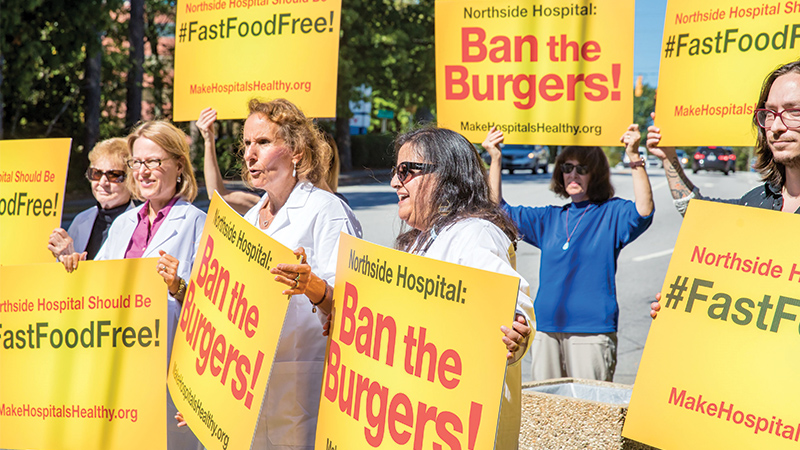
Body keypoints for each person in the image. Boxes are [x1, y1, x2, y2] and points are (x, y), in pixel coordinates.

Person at [189, 99, 362, 450]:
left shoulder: (326, 211)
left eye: (263, 142)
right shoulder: (251, 220)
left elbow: (355, 308)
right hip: (248, 390)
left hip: (305, 382)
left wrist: (312, 287)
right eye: (247, 143)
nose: (249, 154)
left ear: (296, 151)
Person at [60, 120, 206, 450]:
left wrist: (177, 286)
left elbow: (213, 313)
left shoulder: (198, 224)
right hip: (119, 371)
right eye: (136, 162)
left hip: (169, 376)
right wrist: (75, 268)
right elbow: (98, 296)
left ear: (178, 165)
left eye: (153, 161)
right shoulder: (125, 223)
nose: (142, 171)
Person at [389, 126, 534, 450]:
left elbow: (512, 306)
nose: (394, 182)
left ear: (445, 176)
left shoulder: (475, 233)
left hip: (461, 426)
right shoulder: (422, 239)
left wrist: (516, 329)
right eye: (395, 171)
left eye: (406, 171)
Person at [485, 125, 654, 382]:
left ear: (594, 174)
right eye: (567, 168)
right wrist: (495, 158)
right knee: (548, 413)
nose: (573, 175)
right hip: (546, 330)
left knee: (590, 415)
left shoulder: (611, 214)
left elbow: (644, 210)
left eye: (582, 169)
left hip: (592, 332)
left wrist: (633, 155)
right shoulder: (551, 218)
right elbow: (496, 208)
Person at [649, 60, 800, 318]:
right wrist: (684, 306)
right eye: (769, 113)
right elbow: (695, 210)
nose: (776, 127)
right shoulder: (758, 201)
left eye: (793, 112)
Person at [48, 138, 134, 261]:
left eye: (113, 175)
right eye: (97, 174)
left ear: (132, 180)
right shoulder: (81, 219)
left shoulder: (140, 224)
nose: (103, 182)